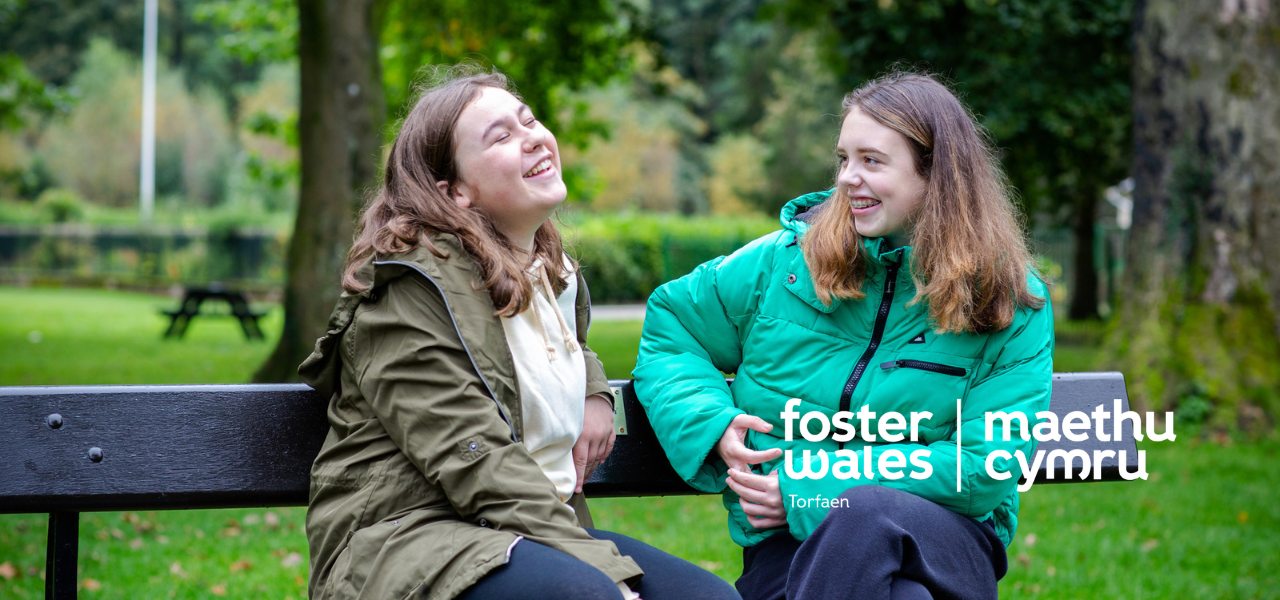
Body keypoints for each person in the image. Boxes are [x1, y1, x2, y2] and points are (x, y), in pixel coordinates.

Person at [299, 66, 740, 600]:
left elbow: (539, 352)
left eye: (528, 121)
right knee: (588, 596)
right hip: (410, 539)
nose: (532, 137)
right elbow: (475, 458)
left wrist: (594, 388)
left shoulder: (551, 275)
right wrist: (610, 576)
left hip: (521, 531)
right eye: (501, 137)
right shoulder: (408, 292)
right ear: (455, 191)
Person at [633, 72, 1054, 600]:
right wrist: (710, 421)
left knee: (865, 512)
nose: (848, 179)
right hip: (788, 547)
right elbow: (673, 326)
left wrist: (807, 490)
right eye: (844, 159)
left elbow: (984, 467)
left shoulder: (1007, 298)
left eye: (871, 161)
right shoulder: (782, 266)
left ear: (936, 174)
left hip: (948, 537)